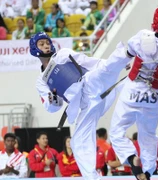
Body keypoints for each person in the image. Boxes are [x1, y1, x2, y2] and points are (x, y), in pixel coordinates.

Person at [30, 31, 132, 180]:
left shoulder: (63, 54)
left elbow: (88, 61)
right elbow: (53, 107)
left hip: (89, 84)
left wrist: (121, 63)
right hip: (85, 105)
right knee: (77, 142)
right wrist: (52, 100)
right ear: (35, 49)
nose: (46, 46)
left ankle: (128, 54)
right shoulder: (41, 81)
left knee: (103, 71)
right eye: (41, 44)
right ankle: (92, 177)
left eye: (47, 42)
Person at [109, 5, 158, 180]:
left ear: (154, 23)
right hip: (154, 96)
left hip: (133, 91)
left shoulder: (142, 37)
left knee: (117, 131)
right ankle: (149, 171)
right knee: (148, 135)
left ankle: (131, 158)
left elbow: (129, 52)